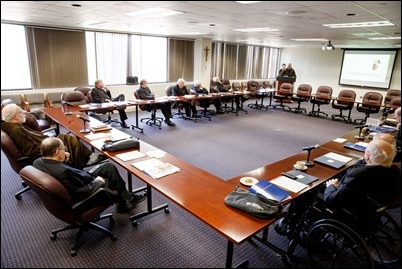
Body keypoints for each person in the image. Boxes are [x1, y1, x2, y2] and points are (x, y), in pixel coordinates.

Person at [33, 137, 147, 213]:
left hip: (79, 179)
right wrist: (98, 181)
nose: (66, 150)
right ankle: (126, 200)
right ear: (57, 152)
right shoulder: (63, 173)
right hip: (86, 193)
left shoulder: (38, 162)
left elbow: (67, 173)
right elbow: (82, 191)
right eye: (64, 148)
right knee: (111, 175)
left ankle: (125, 199)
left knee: (108, 166)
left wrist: (63, 160)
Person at [324, 139, 400, 231]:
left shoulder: (358, 175)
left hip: (354, 211)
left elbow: (332, 200)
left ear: (367, 154)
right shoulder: (395, 170)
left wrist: (331, 186)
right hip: (374, 208)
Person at [1, 103, 105, 170]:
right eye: (20, 112)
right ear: (14, 116)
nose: (23, 114)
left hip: (43, 144)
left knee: (65, 136)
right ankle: (78, 167)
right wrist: (50, 144)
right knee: (69, 139)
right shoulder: (16, 130)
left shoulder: (12, 125)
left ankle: (90, 157)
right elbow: (31, 151)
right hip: (42, 152)